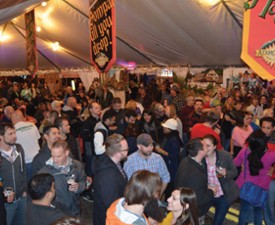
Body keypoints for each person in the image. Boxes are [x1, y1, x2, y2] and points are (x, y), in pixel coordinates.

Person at [234, 130, 275, 225]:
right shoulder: (271, 155)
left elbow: (235, 163)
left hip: (245, 186)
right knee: (258, 212)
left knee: (243, 211)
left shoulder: (244, 151)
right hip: (262, 189)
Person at [38, 140, 86, 216]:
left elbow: (83, 181)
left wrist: (78, 187)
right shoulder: (44, 172)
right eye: (52, 156)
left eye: (58, 156)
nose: (55, 159)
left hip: (75, 210)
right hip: (57, 213)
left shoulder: (77, 165)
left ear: (67, 153)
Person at [174, 138, 214, 223]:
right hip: (194, 213)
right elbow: (198, 199)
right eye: (206, 146)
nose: (208, 147)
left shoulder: (185, 160)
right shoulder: (194, 174)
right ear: (200, 152)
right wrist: (211, 191)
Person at [92, 134, 128, 225]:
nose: (128, 151)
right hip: (108, 220)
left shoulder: (113, 162)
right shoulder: (107, 176)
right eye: (126, 150)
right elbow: (112, 205)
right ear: (117, 153)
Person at [203, 134, 239, 225]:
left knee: (218, 221)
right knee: (198, 216)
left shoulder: (225, 156)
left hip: (224, 194)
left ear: (215, 146)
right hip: (207, 193)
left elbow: (235, 172)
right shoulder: (200, 157)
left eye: (208, 145)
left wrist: (226, 172)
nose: (205, 148)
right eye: (203, 145)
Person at [0, 122, 27, 225]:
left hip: (22, 197)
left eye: (15, 133)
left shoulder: (19, 149)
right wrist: (3, 196)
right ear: (1, 136)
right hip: (5, 203)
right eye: (10, 134)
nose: (15, 137)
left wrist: (25, 190)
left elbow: (23, 170)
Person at [11, 109, 41, 180]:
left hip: (25, 162)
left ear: (13, 119)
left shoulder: (12, 131)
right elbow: (38, 139)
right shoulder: (32, 125)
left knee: (28, 185)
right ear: (23, 117)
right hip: (38, 159)